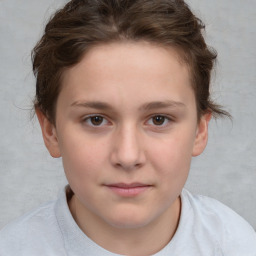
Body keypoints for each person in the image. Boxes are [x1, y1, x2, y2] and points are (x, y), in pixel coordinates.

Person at [0, 0, 255, 255]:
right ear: (50, 131)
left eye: (158, 119)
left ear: (199, 131)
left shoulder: (235, 244)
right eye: (96, 120)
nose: (128, 156)